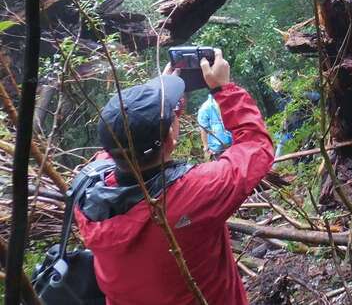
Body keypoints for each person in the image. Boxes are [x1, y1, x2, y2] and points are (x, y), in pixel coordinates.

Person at [75, 50, 274, 305]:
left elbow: (124, 141)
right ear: (170, 138)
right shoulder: (196, 192)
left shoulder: (86, 194)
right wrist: (225, 89)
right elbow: (256, 147)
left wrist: (156, 98)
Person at [197, 93, 233, 160]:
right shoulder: (205, 108)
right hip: (217, 149)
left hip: (232, 144)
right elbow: (203, 129)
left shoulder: (227, 102)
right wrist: (206, 148)